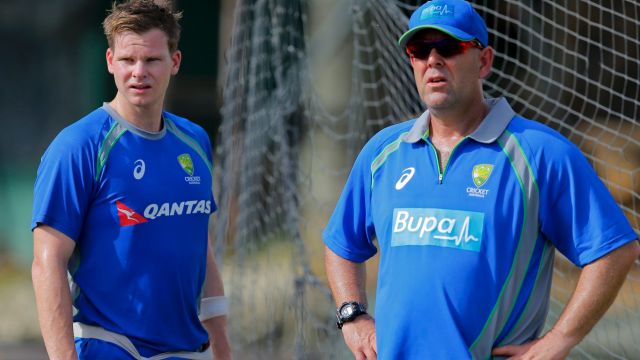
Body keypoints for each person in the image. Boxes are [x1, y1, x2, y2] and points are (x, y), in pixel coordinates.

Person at [323, 0, 640, 359]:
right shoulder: (383, 152)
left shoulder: (540, 153)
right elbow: (341, 244)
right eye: (419, 50)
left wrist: (560, 339)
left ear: (484, 61)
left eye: (449, 47)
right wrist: (352, 316)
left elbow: (614, 250)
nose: (433, 60)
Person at [31, 1, 232, 359]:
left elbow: (201, 244)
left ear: (175, 62)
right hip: (111, 345)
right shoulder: (78, 146)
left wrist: (222, 346)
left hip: (185, 349)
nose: (139, 72)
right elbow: (47, 262)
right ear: (110, 61)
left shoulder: (195, 140)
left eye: (152, 60)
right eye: (127, 60)